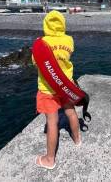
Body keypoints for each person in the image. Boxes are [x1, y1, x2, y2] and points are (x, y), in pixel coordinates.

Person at [33, 10, 81, 169]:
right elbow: (69, 54)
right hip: (66, 87)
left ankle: (49, 159)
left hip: (48, 89)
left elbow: (36, 62)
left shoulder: (41, 43)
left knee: (52, 123)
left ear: (46, 24)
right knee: (71, 112)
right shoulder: (69, 40)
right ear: (62, 24)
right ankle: (77, 140)